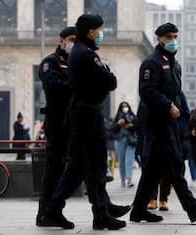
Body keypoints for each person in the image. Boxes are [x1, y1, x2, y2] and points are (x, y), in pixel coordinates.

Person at [40, 14, 130, 230]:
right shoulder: (86, 55)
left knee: (77, 168)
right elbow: (110, 81)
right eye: (99, 30)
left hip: (82, 114)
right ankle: (100, 215)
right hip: (88, 115)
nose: (101, 34)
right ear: (90, 31)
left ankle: (53, 208)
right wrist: (106, 75)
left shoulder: (81, 53)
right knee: (96, 166)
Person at [130, 23, 196, 223]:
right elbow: (146, 91)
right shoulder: (152, 62)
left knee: (152, 170)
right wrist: (168, 105)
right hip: (158, 122)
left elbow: (177, 93)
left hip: (171, 123)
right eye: (168, 37)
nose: (172, 40)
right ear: (159, 39)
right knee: (175, 163)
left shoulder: (175, 64)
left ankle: (138, 210)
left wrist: (182, 112)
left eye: (175, 36)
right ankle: (192, 208)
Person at [35, 26, 76, 225]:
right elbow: (52, 85)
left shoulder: (79, 62)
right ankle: (45, 213)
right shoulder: (50, 62)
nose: (73, 43)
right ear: (61, 40)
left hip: (76, 122)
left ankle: (54, 211)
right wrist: (76, 85)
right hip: (58, 122)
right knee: (54, 168)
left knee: (76, 167)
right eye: (70, 39)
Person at [112, 101, 137, 188]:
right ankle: (123, 179)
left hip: (131, 140)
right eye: (123, 106)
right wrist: (118, 124)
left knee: (129, 160)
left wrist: (131, 125)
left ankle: (129, 179)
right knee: (121, 162)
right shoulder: (118, 117)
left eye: (126, 106)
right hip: (120, 140)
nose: (125, 108)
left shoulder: (132, 116)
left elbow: (138, 126)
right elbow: (112, 129)